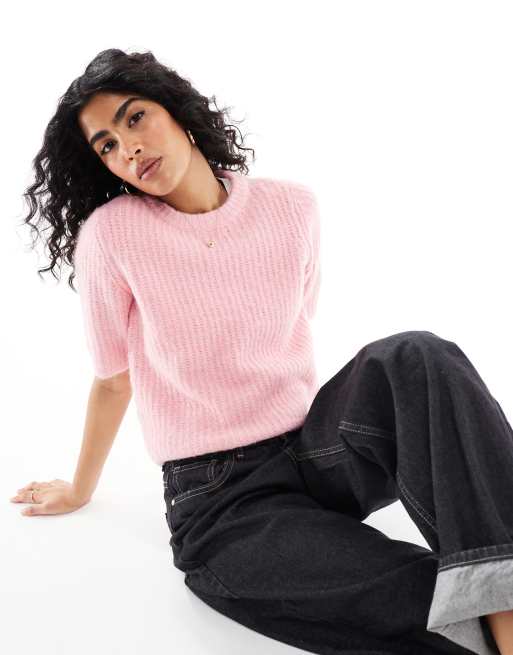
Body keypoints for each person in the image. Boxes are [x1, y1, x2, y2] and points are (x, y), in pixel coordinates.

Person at [11, 47, 513, 655]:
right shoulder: (112, 236)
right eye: (108, 146)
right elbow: (114, 379)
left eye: (135, 118)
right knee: (418, 602)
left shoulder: (291, 207)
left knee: (416, 355)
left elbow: (296, 322)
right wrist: (79, 488)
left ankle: (505, 596)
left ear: (177, 111)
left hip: (317, 451)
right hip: (220, 500)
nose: (129, 148)